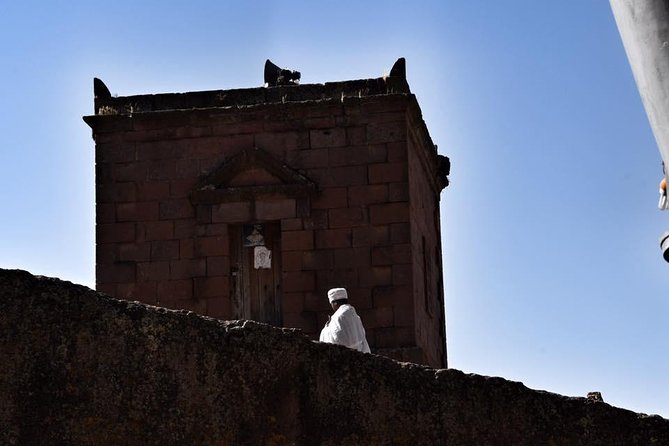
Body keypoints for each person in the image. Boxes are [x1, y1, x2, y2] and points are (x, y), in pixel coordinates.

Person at [319, 288, 371, 353]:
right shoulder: (356, 317)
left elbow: (338, 339)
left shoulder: (338, 317)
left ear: (335, 303)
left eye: (331, 304)